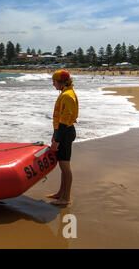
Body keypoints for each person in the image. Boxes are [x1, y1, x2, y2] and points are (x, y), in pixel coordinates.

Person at [47, 69, 79, 206]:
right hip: (62, 131)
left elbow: (64, 122)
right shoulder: (65, 93)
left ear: (61, 82)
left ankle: (66, 198)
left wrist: (57, 140)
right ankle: (61, 193)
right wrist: (55, 135)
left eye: (54, 81)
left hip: (65, 132)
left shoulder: (67, 96)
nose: (53, 84)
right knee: (62, 165)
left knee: (65, 166)